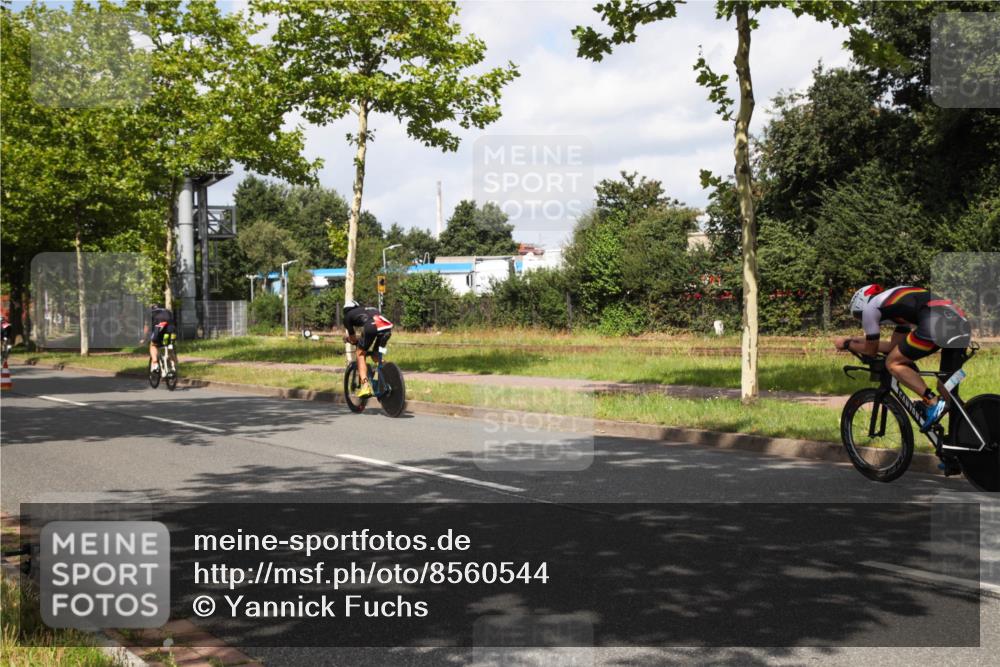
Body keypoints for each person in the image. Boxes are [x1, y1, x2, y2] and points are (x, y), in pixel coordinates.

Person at [834, 284, 972, 437]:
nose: (863, 320)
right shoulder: (895, 303)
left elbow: (871, 351)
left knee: (893, 363)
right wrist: (854, 340)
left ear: (861, 305)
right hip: (960, 324)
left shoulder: (869, 309)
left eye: (858, 316)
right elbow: (893, 346)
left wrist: (847, 344)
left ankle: (932, 402)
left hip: (935, 324)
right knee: (946, 389)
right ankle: (965, 433)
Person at [342, 300, 393, 399]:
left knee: (360, 354)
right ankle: (388, 375)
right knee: (376, 355)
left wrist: (348, 339)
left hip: (371, 327)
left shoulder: (347, 316)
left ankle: (365, 386)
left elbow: (353, 339)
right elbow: (369, 327)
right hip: (387, 327)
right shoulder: (368, 309)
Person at [144, 304, 176, 375]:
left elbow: (146, 327)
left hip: (159, 329)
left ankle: (155, 364)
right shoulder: (167, 311)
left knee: (153, 345)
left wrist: (144, 338)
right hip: (170, 330)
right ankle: (173, 367)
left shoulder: (150, 313)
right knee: (170, 347)